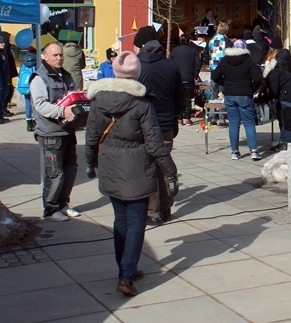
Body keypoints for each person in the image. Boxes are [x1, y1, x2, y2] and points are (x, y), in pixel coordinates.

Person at [84, 51, 178, 297]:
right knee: (135, 221)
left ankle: (126, 269)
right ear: (137, 75)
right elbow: (155, 145)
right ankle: (126, 275)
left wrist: (90, 163)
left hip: (110, 166)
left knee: (121, 220)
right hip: (137, 167)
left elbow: (91, 138)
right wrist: (170, 171)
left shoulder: (98, 101)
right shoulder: (142, 103)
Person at [134, 36, 183, 226]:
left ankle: (152, 210)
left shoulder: (137, 65)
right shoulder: (171, 66)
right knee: (164, 164)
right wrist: (177, 115)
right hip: (165, 123)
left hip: (143, 123)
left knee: (149, 168)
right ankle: (166, 208)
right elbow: (179, 95)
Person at [30, 41, 81, 222]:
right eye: (55, 55)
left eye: (61, 55)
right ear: (44, 56)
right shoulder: (39, 78)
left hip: (67, 130)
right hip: (50, 133)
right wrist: (62, 111)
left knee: (70, 170)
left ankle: (63, 203)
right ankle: (50, 209)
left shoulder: (65, 75)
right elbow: (41, 105)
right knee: (55, 173)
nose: (59, 58)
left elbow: (72, 96)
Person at [213, 39, 263, 160]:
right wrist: (251, 89)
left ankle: (234, 152)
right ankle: (254, 151)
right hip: (245, 94)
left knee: (233, 124)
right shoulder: (248, 61)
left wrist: (226, 83)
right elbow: (258, 78)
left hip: (230, 95)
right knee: (249, 123)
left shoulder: (225, 60)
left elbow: (215, 76)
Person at [264, 48, 291, 148]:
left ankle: (287, 142)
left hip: (286, 95)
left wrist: (262, 98)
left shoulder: (275, 70)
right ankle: (285, 141)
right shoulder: (281, 66)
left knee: (285, 119)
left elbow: (274, 89)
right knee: (284, 119)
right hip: (286, 93)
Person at [169, 35, 202, 126]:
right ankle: (187, 118)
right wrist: (194, 74)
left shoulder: (174, 51)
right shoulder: (193, 50)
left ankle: (179, 118)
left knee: (178, 98)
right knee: (187, 99)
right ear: (188, 41)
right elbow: (198, 63)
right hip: (188, 78)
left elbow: (170, 63)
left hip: (177, 78)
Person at [16, 48, 38, 132]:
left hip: (25, 87)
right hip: (34, 86)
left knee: (28, 104)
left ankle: (29, 124)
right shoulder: (37, 62)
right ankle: (36, 122)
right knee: (36, 104)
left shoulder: (24, 63)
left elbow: (19, 75)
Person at [207, 22, 229, 100]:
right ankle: (222, 110)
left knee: (214, 91)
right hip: (224, 69)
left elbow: (207, 54)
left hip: (213, 67)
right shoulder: (226, 41)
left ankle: (213, 108)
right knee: (222, 92)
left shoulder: (211, 40)